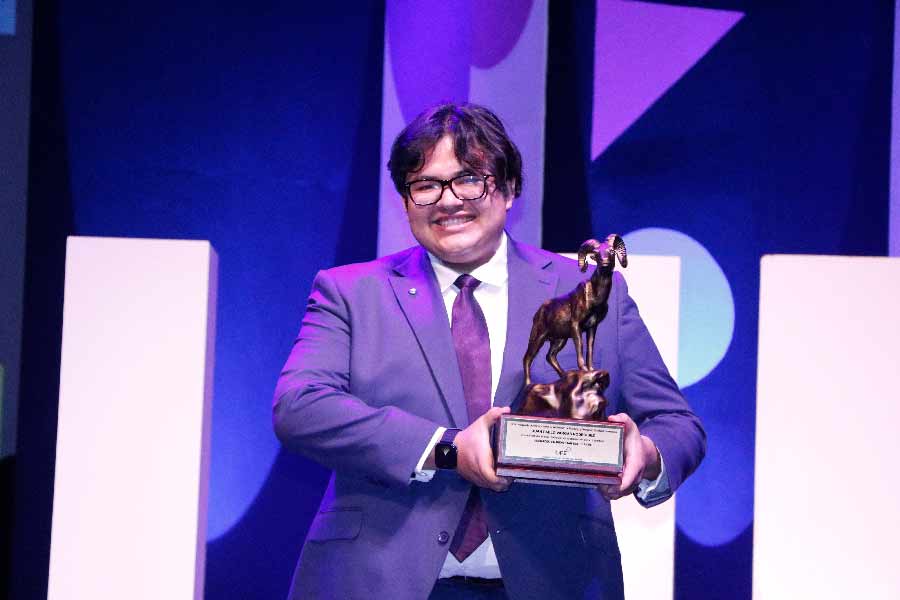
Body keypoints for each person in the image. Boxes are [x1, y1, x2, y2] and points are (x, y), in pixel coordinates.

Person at [273, 103, 705, 600]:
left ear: (510, 186)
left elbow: (678, 425)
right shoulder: (350, 292)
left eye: (470, 179)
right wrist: (446, 448)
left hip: (556, 580)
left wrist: (645, 454)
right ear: (406, 199)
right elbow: (300, 406)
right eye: (426, 184)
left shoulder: (587, 289)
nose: (448, 200)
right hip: (377, 580)